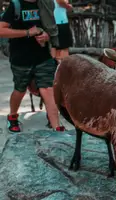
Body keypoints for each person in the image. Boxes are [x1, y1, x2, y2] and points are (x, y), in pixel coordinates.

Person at [0, 0, 65, 133]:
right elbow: (1, 30)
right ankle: (12, 116)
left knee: (48, 89)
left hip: (43, 57)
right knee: (20, 89)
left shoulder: (45, 4)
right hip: (20, 58)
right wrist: (27, 33)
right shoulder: (16, 5)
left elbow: (50, 28)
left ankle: (57, 128)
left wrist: (46, 36)